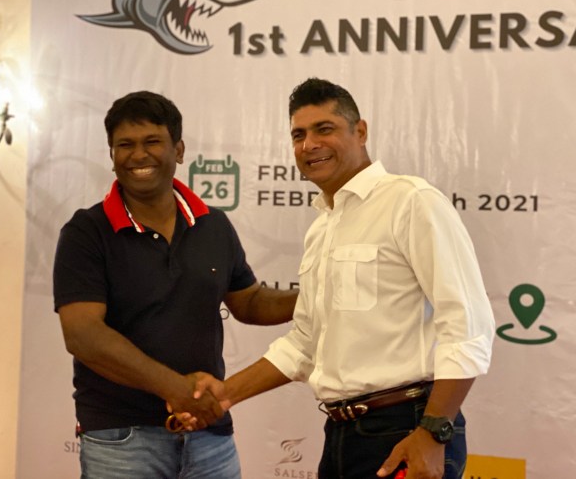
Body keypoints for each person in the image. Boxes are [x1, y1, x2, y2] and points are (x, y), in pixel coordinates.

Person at [184, 78, 495, 479]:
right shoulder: (322, 228)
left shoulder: (411, 202)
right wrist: (224, 394)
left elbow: (467, 326)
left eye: (324, 129)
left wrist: (434, 432)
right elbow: (304, 344)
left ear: (360, 131)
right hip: (342, 435)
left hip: (407, 428)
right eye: (299, 135)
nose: (309, 144)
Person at [53, 90, 298, 479]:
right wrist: (176, 389)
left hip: (209, 435)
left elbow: (249, 302)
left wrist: (315, 297)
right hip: (121, 438)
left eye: (152, 141)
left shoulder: (213, 224)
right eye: (125, 145)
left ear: (179, 150)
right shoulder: (87, 231)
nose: (138, 155)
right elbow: (83, 335)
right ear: (112, 155)